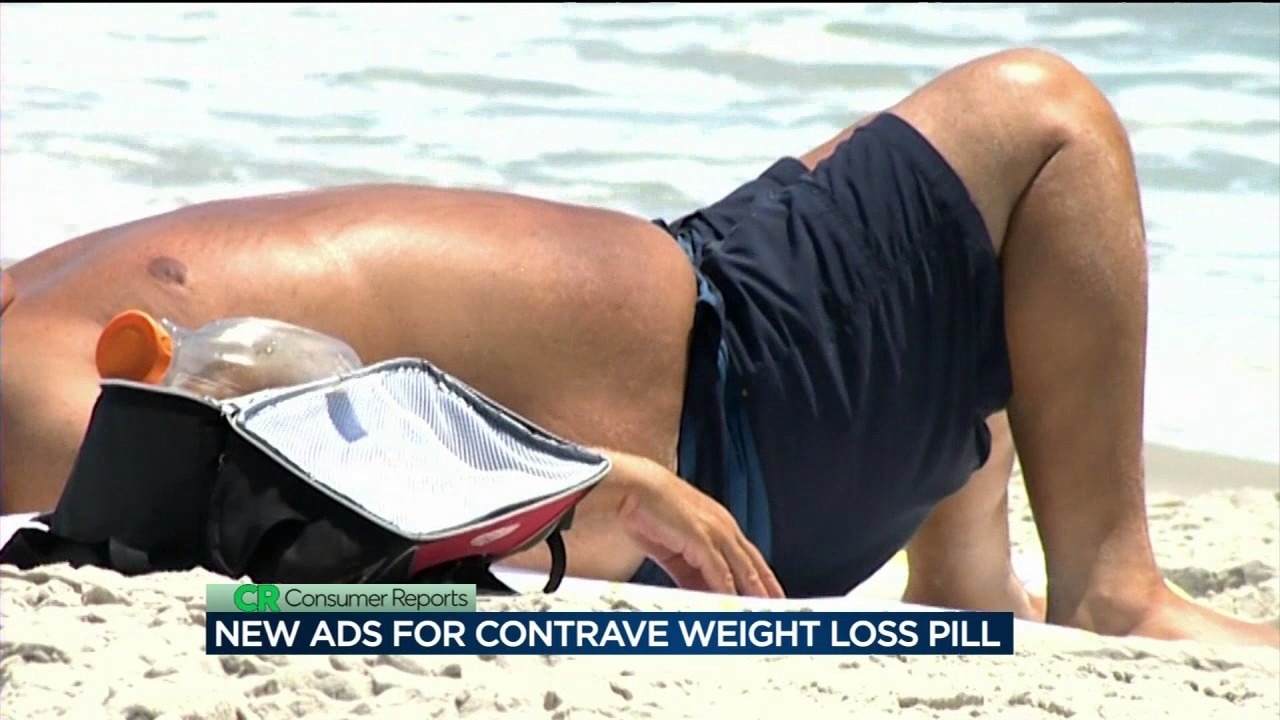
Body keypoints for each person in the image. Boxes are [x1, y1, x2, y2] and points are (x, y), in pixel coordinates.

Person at [1, 49, 1275, 647]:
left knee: (887, 172)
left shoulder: (24, 309)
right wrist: (579, 480)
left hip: (725, 328)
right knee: (1041, 113)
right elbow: (226, 504)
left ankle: (966, 577)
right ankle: (1112, 587)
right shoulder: (22, 381)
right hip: (731, 407)